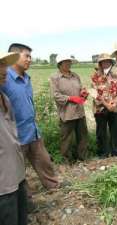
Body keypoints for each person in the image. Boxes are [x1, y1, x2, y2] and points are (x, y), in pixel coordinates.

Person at [0, 43, 59, 198]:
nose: (30, 59)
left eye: (30, 56)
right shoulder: (4, 78)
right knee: (18, 171)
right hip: (15, 135)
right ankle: (25, 200)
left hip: (32, 131)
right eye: (26, 56)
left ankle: (53, 184)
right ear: (15, 56)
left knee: (44, 160)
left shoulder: (26, 78)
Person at [0, 52, 27, 225]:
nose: (4, 69)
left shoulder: (5, 99)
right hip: (2, 184)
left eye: (3, 64)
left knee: (20, 218)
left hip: (17, 174)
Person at [50, 55, 89, 163]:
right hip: (67, 112)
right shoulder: (55, 77)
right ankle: (66, 160)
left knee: (82, 136)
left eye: (69, 62)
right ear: (60, 64)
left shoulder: (75, 75)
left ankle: (83, 158)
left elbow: (80, 89)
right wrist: (71, 98)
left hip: (79, 111)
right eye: (66, 62)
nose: (68, 64)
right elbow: (56, 95)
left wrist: (83, 93)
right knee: (66, 138)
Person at [91, 53, 117, 158]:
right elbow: (94, 92)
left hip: (114, 107)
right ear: (100, 63)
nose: (106, 63)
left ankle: (115, 151)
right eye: (103, 61)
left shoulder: (115, 75)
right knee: (101, 131)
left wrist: (115, 103)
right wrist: (106, 104)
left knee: (115, 129)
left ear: (111, 63)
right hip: (100, 108)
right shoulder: (95, 76)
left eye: (108, 61)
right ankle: (103, 152)